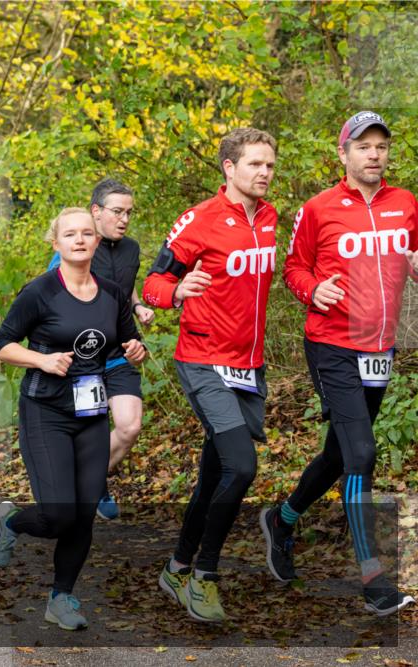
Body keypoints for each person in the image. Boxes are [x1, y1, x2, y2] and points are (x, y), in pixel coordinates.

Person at [261, 111, 417, 616]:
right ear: (343, 153)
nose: (375, 154)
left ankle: (282, 520)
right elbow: (293, 268)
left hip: (380, 347)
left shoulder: (406, 204)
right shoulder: (319, 209)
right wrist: (313, 289)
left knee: (339, 454)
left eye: (382, 147)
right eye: (364, 146)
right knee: (363, 454)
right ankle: (373, 579)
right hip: (332, 344)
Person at [142, 127, 277, 622]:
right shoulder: (199, 220)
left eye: (269, 164)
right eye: (255, 164)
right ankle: (205, 576)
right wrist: (176, 293)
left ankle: (176, 565)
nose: (264, 172)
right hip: (202, 359)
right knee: (242, 466)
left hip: (248, 367)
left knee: (215, 472)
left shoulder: (270, 217)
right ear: (229, 167)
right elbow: (154, 283)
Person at [0, 208, 146, 631]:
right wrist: (42, 358)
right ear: (55, 243)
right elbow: (2, 345)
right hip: (46, 411)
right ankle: (11, 521)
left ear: (97, 241)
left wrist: (135, 350)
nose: (79, 240)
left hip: (91, 413)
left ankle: (62, 596)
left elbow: (128, 341)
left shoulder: (112, 292)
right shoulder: (39, 292)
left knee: (85, 511)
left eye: (87, 234)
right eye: (70, 234)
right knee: (58, 516)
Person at [46, 179, 153, 521]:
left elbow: (126, 285)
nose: (124, 219)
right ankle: (90, 485)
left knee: (129, 426)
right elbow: (51, 301)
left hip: (120, 351)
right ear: (96, 211)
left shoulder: (132, 249)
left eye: (129, 213)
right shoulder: (74, 252)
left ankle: (91, 480)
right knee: (88, 430)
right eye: (117, 212)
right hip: (81, 360)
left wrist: (137, 307)